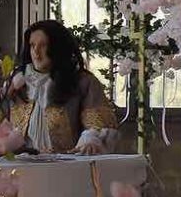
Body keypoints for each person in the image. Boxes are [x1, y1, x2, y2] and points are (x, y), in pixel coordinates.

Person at [11, 19, 119, 154]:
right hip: (21, 168)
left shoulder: (82, 82)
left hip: (66, 167)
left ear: (57, 47)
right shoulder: (17, 83)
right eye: (32, 45)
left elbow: (97, 124)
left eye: (43, 45)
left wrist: (90, 140)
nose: (36, 52)